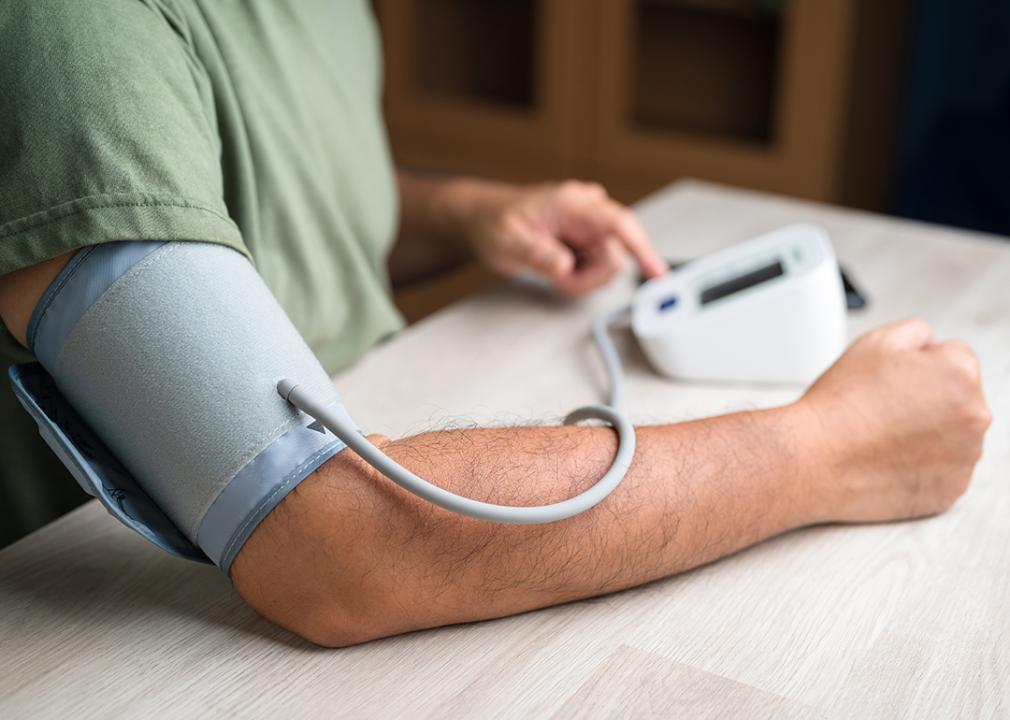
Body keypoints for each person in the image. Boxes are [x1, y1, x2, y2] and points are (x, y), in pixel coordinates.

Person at [0, 1, 990, 647]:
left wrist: (463, 212)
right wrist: (831, 446)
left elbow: (217, 207)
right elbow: (328, 544)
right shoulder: (59, 36)